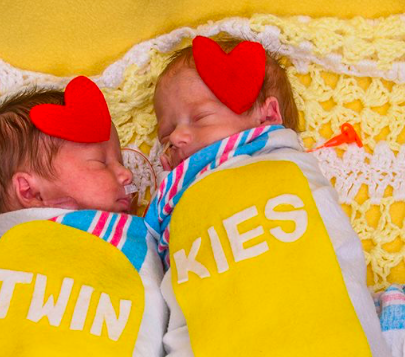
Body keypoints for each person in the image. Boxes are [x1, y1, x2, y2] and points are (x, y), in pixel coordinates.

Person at [145, 36, 391, 356]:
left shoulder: (283, 162)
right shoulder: (173, 200)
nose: (176, 137)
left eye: (200, 118)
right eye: (166, 137)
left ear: (268, 116)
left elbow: (335, 250)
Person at [0, 77, 166, 356]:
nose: (126, 174)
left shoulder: (133, 235)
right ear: (31, 191)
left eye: (121, 162)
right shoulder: (5, 251)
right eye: (102, 163)